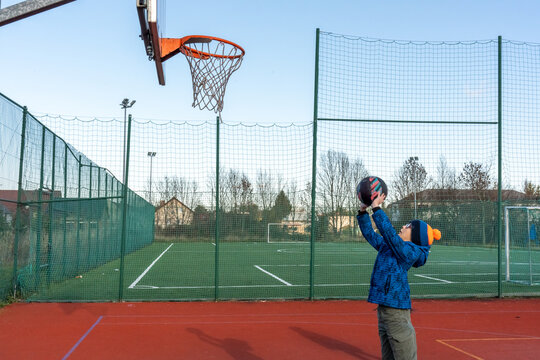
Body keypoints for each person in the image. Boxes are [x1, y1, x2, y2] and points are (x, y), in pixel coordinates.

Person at [356, 193, 441, 360]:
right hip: (385, 310)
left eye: (408, 226)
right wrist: (362, 213)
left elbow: (390, 236)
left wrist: (377, 209)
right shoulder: (391, 246)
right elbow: (372, 236)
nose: (403, 227)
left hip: (396, 311)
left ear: (416, 237)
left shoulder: (410, 252)